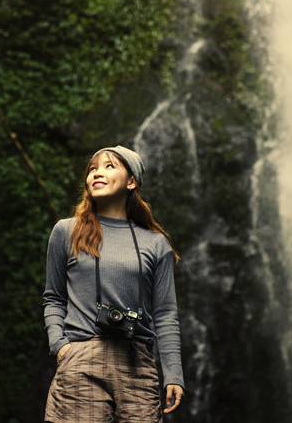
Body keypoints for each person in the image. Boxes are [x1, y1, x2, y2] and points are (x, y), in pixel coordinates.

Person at [42, 145, 186, 422]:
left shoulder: (155, 244)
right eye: (93, 168)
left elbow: (166, 314)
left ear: (131, 181)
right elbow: (53, 298)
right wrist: (60, 346)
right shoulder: (66, 231)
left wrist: (174, 374)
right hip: (80, 361)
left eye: (109, 167)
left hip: (137, 365)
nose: (97, 173)